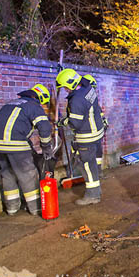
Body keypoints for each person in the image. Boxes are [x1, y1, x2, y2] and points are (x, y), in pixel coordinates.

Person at [0, 84, 53, 215]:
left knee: (7, 174)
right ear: (41, 97)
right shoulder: (33, 106)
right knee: (28, 174)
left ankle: (12, 208)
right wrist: (46, 147)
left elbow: (14, 127)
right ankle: (36, 208)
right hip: (14, 145)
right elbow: (45, 127)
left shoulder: (11, 104)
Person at [56, 68, 105, 205]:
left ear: (71, 83)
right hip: (96, 132)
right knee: (92, 164)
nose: (65, 90)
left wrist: (63, 121)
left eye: (65, 87)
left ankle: (93, 195)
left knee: (87, 166)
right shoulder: (88, 88)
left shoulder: (76, 99)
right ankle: (97, 190)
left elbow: (75, 123)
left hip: (86, 136)